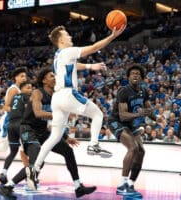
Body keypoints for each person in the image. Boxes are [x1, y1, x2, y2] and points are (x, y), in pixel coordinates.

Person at [28, 25, 125, 188]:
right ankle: (93, 145)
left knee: (55, 137)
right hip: (68, 94)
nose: (70, 37)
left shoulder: (59, 55)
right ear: (60, 40)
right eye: (67, 35)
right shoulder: (68, 51)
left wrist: (89, 67)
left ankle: (34, 169)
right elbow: (94, 48)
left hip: (57, 99)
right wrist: (112, 36)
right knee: (98, 115)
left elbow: (74, 64)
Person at [0, 68, 96, 199]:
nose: (55, 78)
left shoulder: (56, 96)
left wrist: (65, 137)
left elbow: (53, 122)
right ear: (44, 80)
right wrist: (60, 115)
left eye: (55, 75)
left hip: (42, 132)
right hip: (28, 130)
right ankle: (7, 187)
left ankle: (78, 187)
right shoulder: (38, 93)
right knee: (38, 160)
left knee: (68, 151)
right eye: (51, 76)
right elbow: (38, 113)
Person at [108, 65, 154, 198]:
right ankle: (122, 185)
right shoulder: (123, 91)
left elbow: (149, 111)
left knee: (141, 151)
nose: (135, 75)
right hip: (116, 121)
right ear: (128, 77)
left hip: (130, 124)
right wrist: (139, 114)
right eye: (132, 73)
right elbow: (122, 115)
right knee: (133, 148)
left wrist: (157, 118)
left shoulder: (144, 92)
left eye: (138, 74)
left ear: (141, 77)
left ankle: (131, 184)